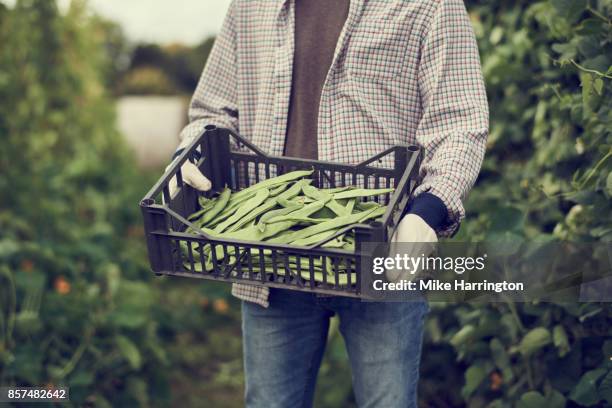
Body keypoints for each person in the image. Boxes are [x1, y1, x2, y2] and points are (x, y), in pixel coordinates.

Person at [169, 0, 488, 406]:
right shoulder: (252, 5)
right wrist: (191, 154)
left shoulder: (428, 4)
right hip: (271, 256)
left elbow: (460, 121)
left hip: (382, 253)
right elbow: (214, 111)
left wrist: (428, 210)